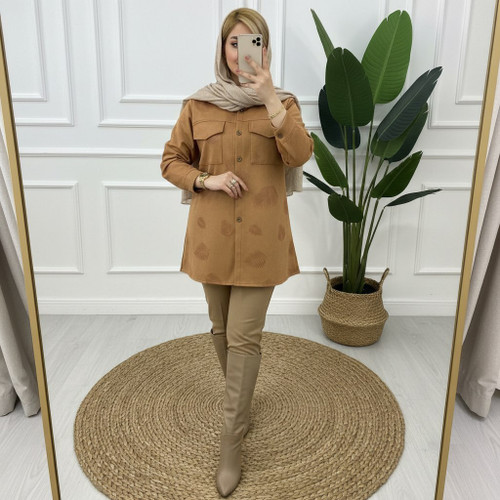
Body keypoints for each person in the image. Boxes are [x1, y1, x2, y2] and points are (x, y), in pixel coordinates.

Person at [160, 7, 313, 497]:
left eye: (253, 42)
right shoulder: (198, 105)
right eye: (234, 42)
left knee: (244, 339)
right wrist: (207, 179)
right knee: (222, 330)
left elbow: (300, 154)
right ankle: (240, 404)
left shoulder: (283, 103)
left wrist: (269, 98)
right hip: (212, 237)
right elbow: (170, 161)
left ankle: (232, 441)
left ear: (265, 50)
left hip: (263, 240)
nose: (242, 51)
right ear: (223, 49)